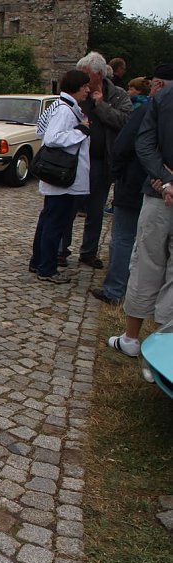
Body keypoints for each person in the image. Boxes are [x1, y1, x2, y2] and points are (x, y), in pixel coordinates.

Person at [108, 64, 173, 357]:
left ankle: (134, 338)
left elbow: (143, 142)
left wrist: (165, 179)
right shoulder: (161, 101)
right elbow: (143, 142)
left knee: (147, 261)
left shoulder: (160, 100)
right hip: (160, 190)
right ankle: (159, 343)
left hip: (160, 192)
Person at [92, 72, 167, 304]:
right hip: (161, 185)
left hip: (138, 182)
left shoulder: (149, 110)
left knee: (124, 237)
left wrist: (115, 173)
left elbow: (125, 143)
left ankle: (115, 289)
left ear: (159, 85)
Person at [58, 51, 132, 270]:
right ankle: (61, 250)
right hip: (74, 160)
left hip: (101, 161)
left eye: (87, 76)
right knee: (68, 207)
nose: (83, 80)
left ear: (99, 75)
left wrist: (102, 106)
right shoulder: (76, 91)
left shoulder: (117, 95)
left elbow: (126, 122)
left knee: (95, 210)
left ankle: (88, 252)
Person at [29, 69, 92, 284]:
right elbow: (52, 138)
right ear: (77, 86)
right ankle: (47, 268)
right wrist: (81, 131)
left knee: (48, 221)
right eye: (85, 87)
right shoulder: (65, 111)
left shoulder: (61, 106)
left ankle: (38, 261)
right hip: (62, 178)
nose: (88, 90)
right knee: (54, 224)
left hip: (61, 178)